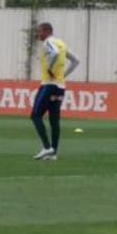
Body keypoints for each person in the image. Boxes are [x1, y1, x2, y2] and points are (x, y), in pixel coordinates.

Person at [31, 22, 81, 161]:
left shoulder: (48, 42)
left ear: (47, 31)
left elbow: (55, 53)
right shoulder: (61, 43)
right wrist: (64, 75)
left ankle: (47, 147)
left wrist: (49, 68)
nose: (38, 34)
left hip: (48, 85)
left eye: (40, 31)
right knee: (54, 119)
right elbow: (76, 61)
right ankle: (53, 153)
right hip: (60, 86)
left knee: (35, 115)